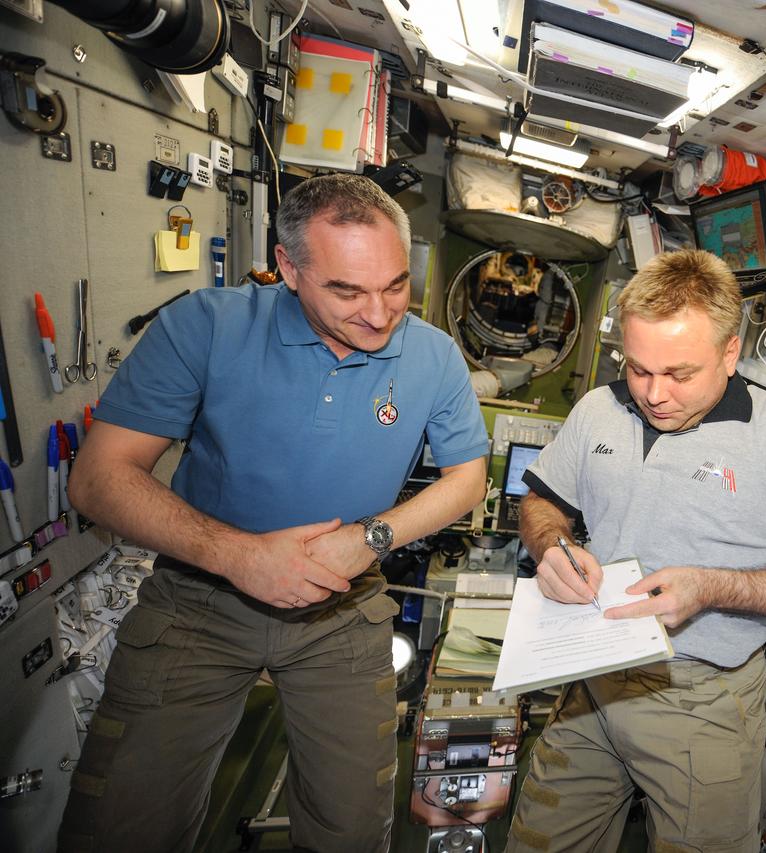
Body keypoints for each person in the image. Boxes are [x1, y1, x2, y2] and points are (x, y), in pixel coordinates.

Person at [58, 174, 489, 853]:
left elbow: (468, 478)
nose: (379, 313)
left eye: (397, 285)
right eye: (346, 290)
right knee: (122, 825)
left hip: (343, 609)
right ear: (289, 267)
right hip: (199, 597)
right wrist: (241, 556)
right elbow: (98, 479)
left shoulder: (433, 355)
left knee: (352, 830)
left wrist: (370, 537)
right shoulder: (207, 325)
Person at [506, 249, 766, 851]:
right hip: (593, 683)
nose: (654, 394)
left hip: (702, 701)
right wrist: (553, 545)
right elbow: (543, 500)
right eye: (638, 368)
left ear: (731, 353)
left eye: (679, 374)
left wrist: (716, 587)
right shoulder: (599, 409)